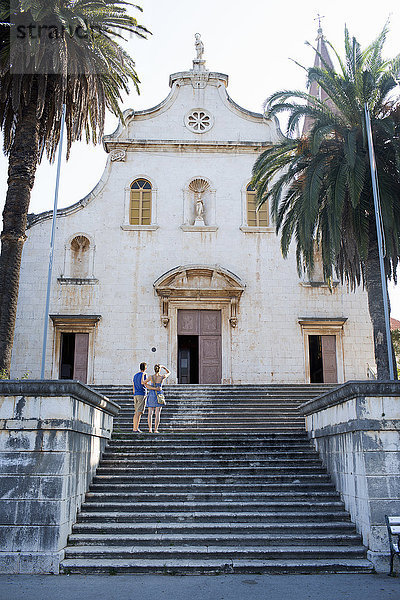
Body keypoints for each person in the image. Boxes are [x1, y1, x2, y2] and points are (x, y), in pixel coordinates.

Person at [144, 364, 170, 433]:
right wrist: (163, 367)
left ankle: (150, 429)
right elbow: (169, 372)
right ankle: (155, 429)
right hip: (159, 394)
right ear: (159, 369)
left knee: (150, 412)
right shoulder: (162, 377)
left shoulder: (151, 377)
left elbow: (144, 383)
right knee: (157, 412)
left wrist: (152, 388)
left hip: (152, 393)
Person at [132, 362, 147, 432]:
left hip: (136, 394)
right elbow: (143, 383)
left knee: (136, 412)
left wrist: (134, 392)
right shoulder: (144, 374)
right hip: (141, 393)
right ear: (145, 368)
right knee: (139, 412)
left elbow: (133, 385)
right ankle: (136, 428)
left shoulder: (135, 375)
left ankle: (134, 427)